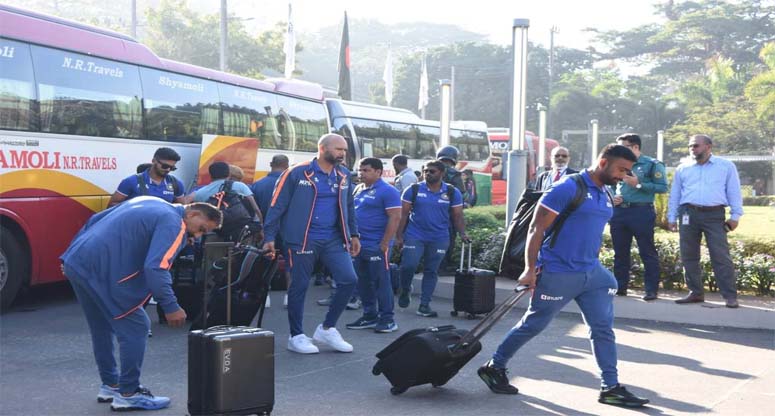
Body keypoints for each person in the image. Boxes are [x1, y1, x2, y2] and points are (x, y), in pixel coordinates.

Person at [478, 144, 650, 408]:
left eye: (628, 171)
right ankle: (494, 366)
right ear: (603, 163)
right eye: (621, 169)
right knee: (533, 324)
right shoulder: (567, 188)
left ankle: (611, 387)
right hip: (557, 272)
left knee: (602, 329)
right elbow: (536, 229)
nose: (624, 176)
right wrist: (528, 269)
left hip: (591, 273)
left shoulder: (605, 191)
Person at [60, 197, 222, 411]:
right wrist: (171, 306)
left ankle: (110, 384)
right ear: (192, 214)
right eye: (200, 229)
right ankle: (128, 393)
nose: (198, 235)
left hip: (78, 262)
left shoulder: (151, 201)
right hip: (104, 271)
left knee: (101, 326)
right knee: (137, 327)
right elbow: (156, 268)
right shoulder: (174, 223)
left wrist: (69, 255)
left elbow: (95, 220)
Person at [262, 133, 360, 354]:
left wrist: (354, 234)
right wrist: (269, 237)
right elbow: (276, 206)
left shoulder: (344, 174)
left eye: (344, 150)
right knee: (299, 285)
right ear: (323, 148)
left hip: (333, 238)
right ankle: (296, 336)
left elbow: (350, 207)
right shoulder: (297, 172)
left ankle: (327, 328)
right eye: (338, 149)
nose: (343, 153)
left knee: (349, 280)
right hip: (301, 239)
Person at [667, 134, 743, 308]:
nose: (692, 149)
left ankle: (730, 296)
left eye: (696, 146)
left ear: (709, 146)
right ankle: (695, 293)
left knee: (720, 255)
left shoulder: (725, 166)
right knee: (689, 255)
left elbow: (734, 192)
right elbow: (676, 195)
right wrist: (672, 217)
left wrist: (735, 216)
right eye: (690, 146)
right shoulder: (683, 168)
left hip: (714, 215)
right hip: (688, 214)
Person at [395, 159, 469, 317]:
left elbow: (458, 215)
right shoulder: (413, 189)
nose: (427, 174)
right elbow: (403, 215)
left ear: (441, 173)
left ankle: (424, 304)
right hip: (415, 235)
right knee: (408, 265)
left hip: (439, 237)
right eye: (425, 171)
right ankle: (405, 289)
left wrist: (463, 233)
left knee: (431, 270)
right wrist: (398, 235)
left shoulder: (451, 192)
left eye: (432, 171)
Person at [346, 157, 401, 333]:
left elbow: (395, 217)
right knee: (363, 282)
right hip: (358, 244)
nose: (361, 173)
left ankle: (388, 319)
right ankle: (370, 316)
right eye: (361, 170)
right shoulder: (359, 189)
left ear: (378, 172)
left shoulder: (388, 191)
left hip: (376, 245)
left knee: (380, 282)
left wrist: (385, 243)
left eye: (366, 170)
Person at [611, 134, 668, 300]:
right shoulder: (618, 164)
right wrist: (613, 196)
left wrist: (638, 184)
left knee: (647, 251)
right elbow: (611, 184)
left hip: (641, 212)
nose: (619, 151)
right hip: (620, 211)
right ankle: (620, 287)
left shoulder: (651, 164)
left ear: (635, 147)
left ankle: (651, 289)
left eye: (624, 147)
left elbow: (662, 187)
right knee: (620, 252)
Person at [251, 154, 291, 308]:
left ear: (270, 164)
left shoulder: (257, 185)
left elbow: (253, 211)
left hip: (265, 230)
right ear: (287, 165)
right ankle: (289, 296)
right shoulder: (292, 185)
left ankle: (264, 296)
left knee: (264, 263)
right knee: (290, 263)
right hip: (289, 230)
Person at [108, 147, 186, 207]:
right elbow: (112, 206)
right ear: (153, 161)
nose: (168, 170)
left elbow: (182, 209)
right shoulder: (131, 182)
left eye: (172, 168)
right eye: (165, 166)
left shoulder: (176, 184)